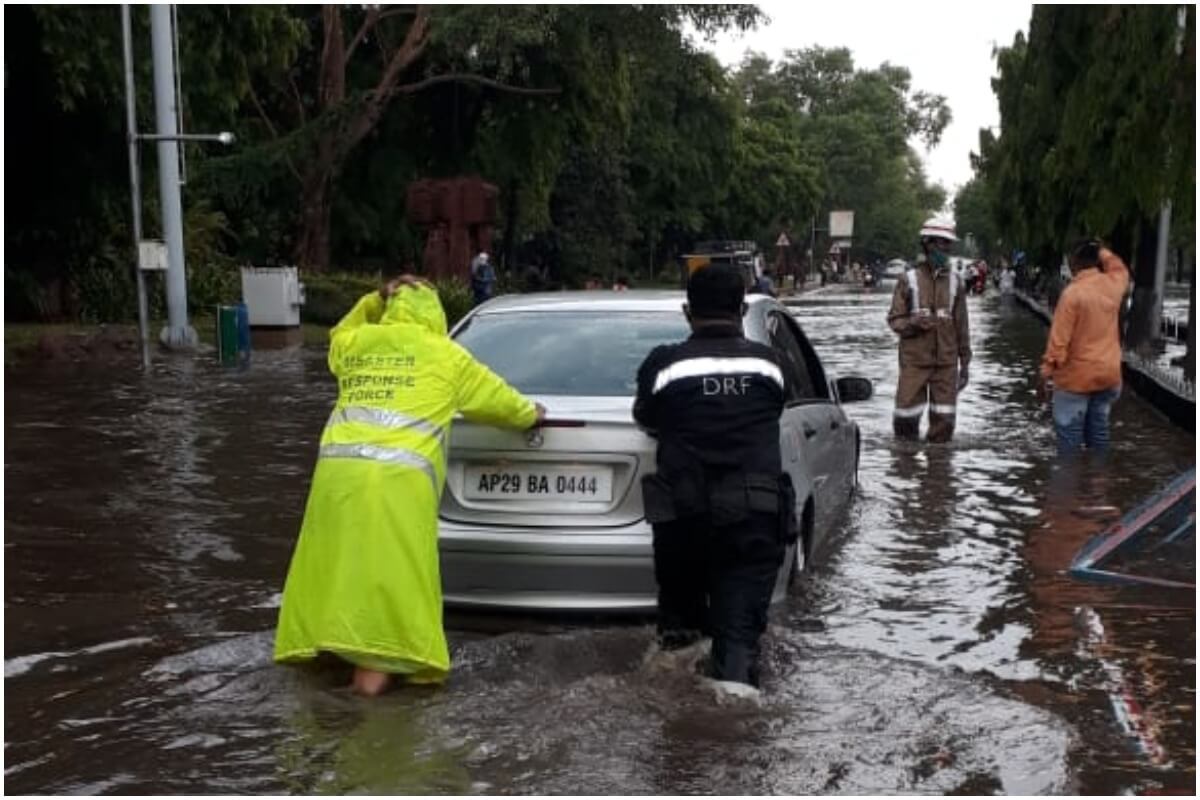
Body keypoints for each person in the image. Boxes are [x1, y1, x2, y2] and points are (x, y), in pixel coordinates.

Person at [274, 276, 545, 696]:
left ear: (392, 307)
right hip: (398, 486)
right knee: (393, 590)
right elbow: (502, 402)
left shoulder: (359, 344)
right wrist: (532, 414)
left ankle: (324, 672)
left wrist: (372, 299)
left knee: (331, 572)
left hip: (337, 479)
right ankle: (367, 693)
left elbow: (338, 333)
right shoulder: (446, 356)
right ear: (435, 314)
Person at [633, 263, 793, 689]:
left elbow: (647, 417)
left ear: (688, 312)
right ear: (742, 309)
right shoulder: (772, 365)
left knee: (679, 638)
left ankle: (677, 734)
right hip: (753, 516)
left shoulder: (663, 365)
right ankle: (732, 727)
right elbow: (773, 409)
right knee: (738, 641)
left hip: (683, 518)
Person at [1037, 240, 1129, 454]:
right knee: (1099, 436)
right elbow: (1119, 266)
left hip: (1076, 379)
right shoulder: (1114, 285)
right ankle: (1098, 483)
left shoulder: (1072, 294)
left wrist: (1045, 374)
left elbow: (1059, 341)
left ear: (1074, 262)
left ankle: (1067, 485)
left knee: (1069, 443)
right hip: (1109, 377)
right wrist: (1102, 250)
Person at [886, 216, 972, 442]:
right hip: (914, 362)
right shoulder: (909, 280)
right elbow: (895, 320)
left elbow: (962, 325)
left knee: (944, 423)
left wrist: (965, 363)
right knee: (905, 420)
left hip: (946, 364)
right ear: (927, 244)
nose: (945, 248)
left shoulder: (956, 282)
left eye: (948, 244)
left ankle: (938, 473)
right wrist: (912, 324)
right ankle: (905, 471)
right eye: (940, 243)